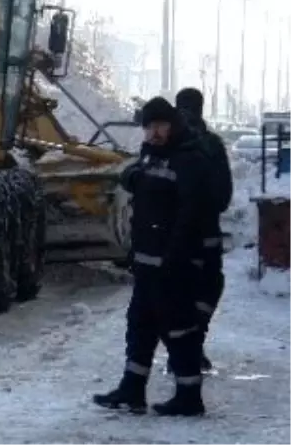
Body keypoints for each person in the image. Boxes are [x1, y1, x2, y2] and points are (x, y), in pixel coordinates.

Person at [93, 96, 211, 416]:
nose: (154, 133)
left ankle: (189, 396)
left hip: (172, 264)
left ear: (173, 126)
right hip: (146, 262)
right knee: (140, 326)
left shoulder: (189, 159)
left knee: (178, 328)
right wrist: (132, 176)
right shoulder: (151, 155)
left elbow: (191, 214)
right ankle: (132, 389)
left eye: (160, 126)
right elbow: (142, 184)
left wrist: (177, 256)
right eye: (149, 127)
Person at [174, 87, 233, 371]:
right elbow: (224, 195)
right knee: (208, 287)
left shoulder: (165, 145)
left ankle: (182, 349)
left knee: (177, 292)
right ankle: (193, 344)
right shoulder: (212, 145)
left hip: (172, 236)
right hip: (205, 234)